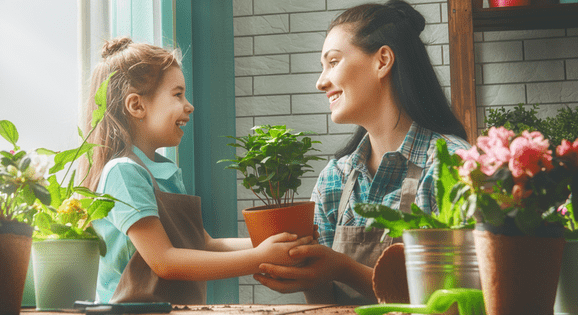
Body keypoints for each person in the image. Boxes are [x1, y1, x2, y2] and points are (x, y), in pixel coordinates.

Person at [253, 0, 471, 305]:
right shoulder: (335, 178)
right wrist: (305, 272)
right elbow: (323, 302)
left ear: (382, 61)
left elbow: (460, 298)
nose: (320, 82)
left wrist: (344, 268)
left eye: (333, 61)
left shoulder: (453, 164)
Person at [78, 37, 313, 304]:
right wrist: (260, 258)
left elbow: (205, 244)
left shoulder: (164, 172)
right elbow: (165, 261)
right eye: (177, 94)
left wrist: (284, 243)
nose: (189, 105)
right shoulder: (123, 173)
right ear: (137, 105)